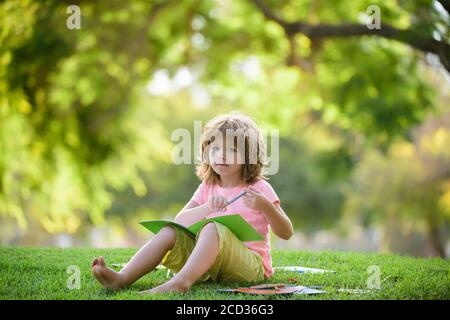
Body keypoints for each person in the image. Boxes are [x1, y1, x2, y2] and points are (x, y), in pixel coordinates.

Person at [92, 111, 293, 294]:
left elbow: (286, 233)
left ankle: (181, 282)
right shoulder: (208, 186)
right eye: (214, 149)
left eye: (231, 150)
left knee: (212, 228)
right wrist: (207, 207)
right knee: (170, 230)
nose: (221, 155)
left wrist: (265, 206)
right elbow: (182, 220)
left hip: (251, 268)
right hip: (212, 266)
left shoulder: (259, 188)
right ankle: (122, 278)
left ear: (249, 155)